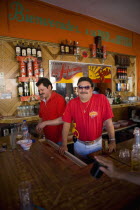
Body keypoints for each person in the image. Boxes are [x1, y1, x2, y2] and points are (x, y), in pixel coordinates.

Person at [59, 77, 116, 160]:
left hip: (97, 145)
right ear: (77, 89)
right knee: (80, 170)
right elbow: (66, 124)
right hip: (79, 144)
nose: (83, 90)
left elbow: (108, 122)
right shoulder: (72, 103)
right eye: (80, 87)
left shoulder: (101, 99)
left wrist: (112, 141)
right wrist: (64, 144)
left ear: (92, 89)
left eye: (87, 87)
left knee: (97, 169)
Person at [36, 77, 66, 145]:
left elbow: (63, 119)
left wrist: (45, 123)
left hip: (59, 139)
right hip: (47, 138)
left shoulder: (59, 99)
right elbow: (41, 117)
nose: (40, 92)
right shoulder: (42, 101)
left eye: (42, 90)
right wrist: (39, 125)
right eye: (39, 90)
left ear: (49, 87)